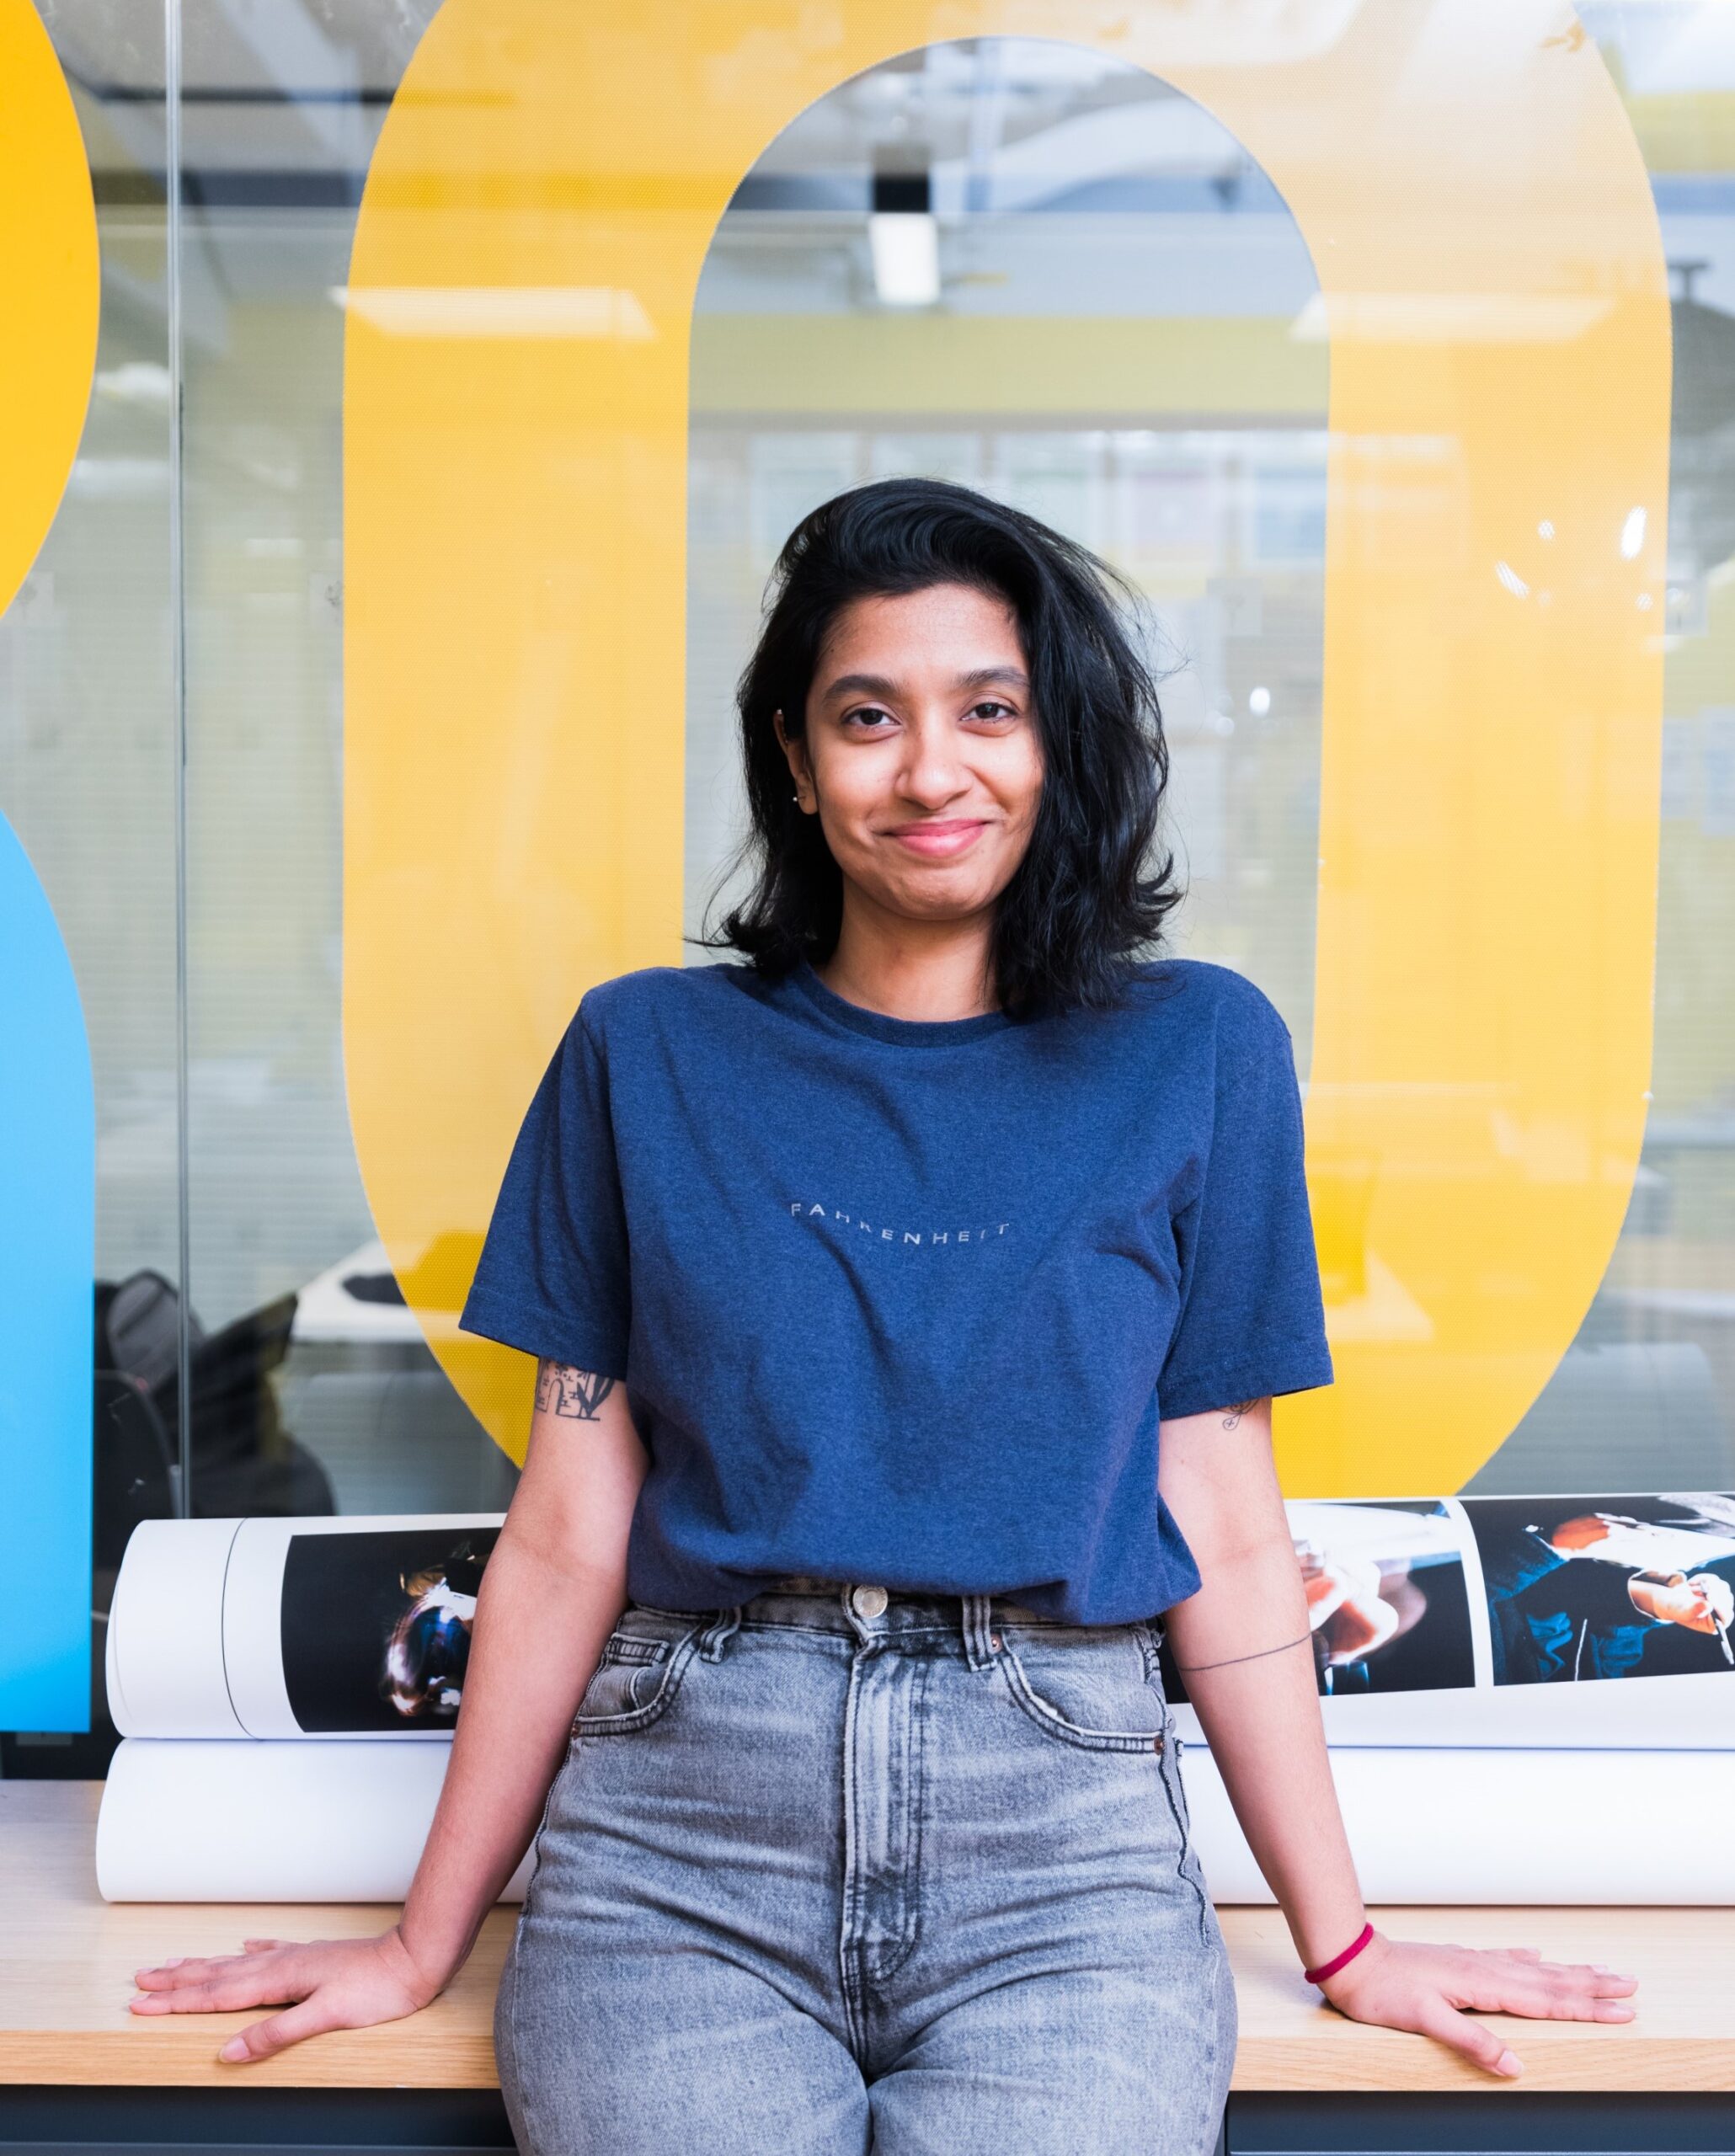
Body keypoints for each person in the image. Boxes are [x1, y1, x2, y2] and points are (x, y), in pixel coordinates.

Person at [130, 480, 1636, 2151]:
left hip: (1063, 1849)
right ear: (793, 755)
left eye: (988, 711)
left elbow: (1221, 1499)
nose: (932, 771)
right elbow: (567, 1528)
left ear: (1055, 737)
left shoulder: (1200, 1049)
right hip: (678, 1842)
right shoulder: (643, 1055)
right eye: (869, 717)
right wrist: (422, 1939)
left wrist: (1339, 1934)